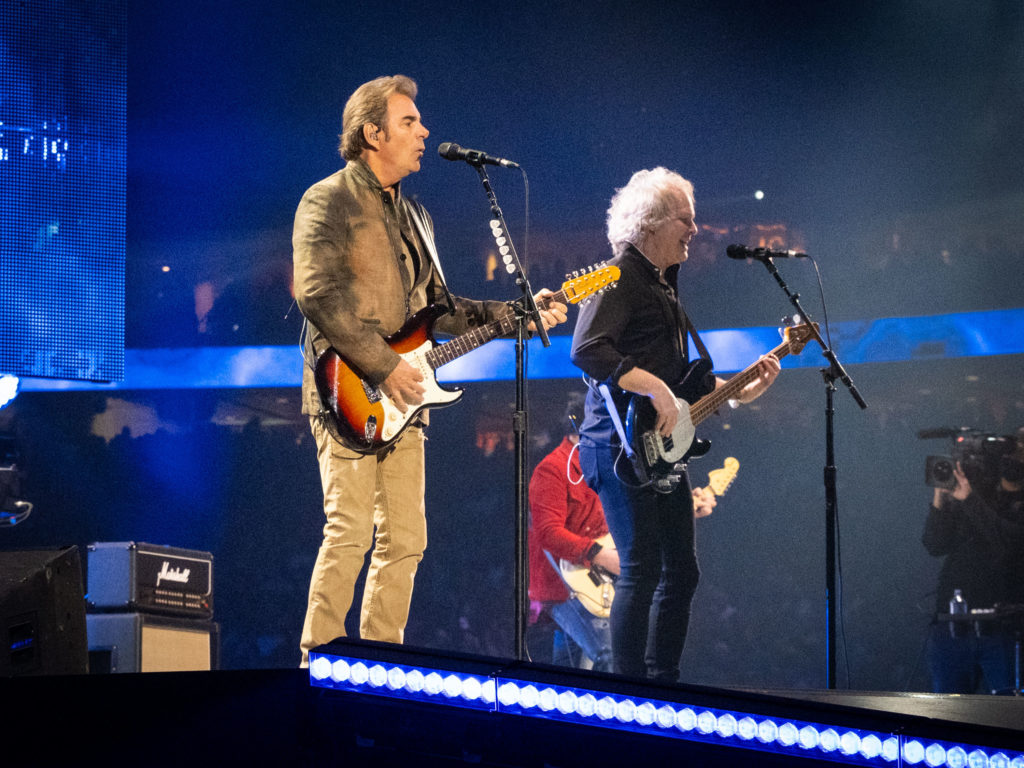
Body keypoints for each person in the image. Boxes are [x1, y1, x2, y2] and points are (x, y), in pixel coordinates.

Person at [292, 75, 566, 665]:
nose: (425, 132)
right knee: (348, 534)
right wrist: (385, 367)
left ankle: (379, 665)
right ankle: (316, 664)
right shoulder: (328, 200)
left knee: (407, 542)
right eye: (411, 122)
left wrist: (517, 311)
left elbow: (440, 311)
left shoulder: (417, 216)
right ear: (373, 132)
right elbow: (316, 295)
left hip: (406, 399)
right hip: (349, 390)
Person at [570, 167, 780, 681]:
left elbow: (686, 382)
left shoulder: (666, 287)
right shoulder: (615, 273)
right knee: (640, 569)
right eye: (686, 219)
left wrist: (739, 392)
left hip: (661, 445)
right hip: (618, 446)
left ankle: (662, 681)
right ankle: (628, 691)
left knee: (681, 572)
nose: (695, 229)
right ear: (652, 222)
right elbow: (586, 349)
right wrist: (654, 387)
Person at [922, 431, 1024, 694]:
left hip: (1002, 629)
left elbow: (1007, 545)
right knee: (947, 718)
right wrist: (940, 498)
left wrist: (969, 499)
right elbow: (935, 544)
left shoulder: (1002, 504)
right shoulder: (976, 495)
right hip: (953, 625)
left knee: (1007, 715)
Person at [528, 391, 617, 671]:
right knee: (608, 654)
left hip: (590, 582)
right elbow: (548, 533)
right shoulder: (552, 470)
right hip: (561, 588)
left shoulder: (602, 465)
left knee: (568, 669)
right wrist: (600, 555)